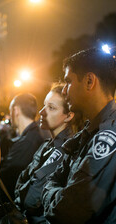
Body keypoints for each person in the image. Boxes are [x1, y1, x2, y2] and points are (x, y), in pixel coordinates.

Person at [41, 46, 116, 223]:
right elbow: (54, 180)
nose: (64, 90)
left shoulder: (109, 136)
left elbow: (68, 210)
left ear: (89, 81)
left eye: (68, 81)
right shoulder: (88, 133)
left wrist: (51, 193)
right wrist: (57, 192)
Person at [14, 83, 83, 223]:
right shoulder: (47, 144)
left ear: (69, 115)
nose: (42, 112)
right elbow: (22, 182)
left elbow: (32, 198)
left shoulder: (67, 149)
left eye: (51, 108)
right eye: (44, 105)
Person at [0, 93, 50, 201]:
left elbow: (3, 175)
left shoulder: (27, 142)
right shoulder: (35, 135)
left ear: (16, 110)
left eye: (10, 110)